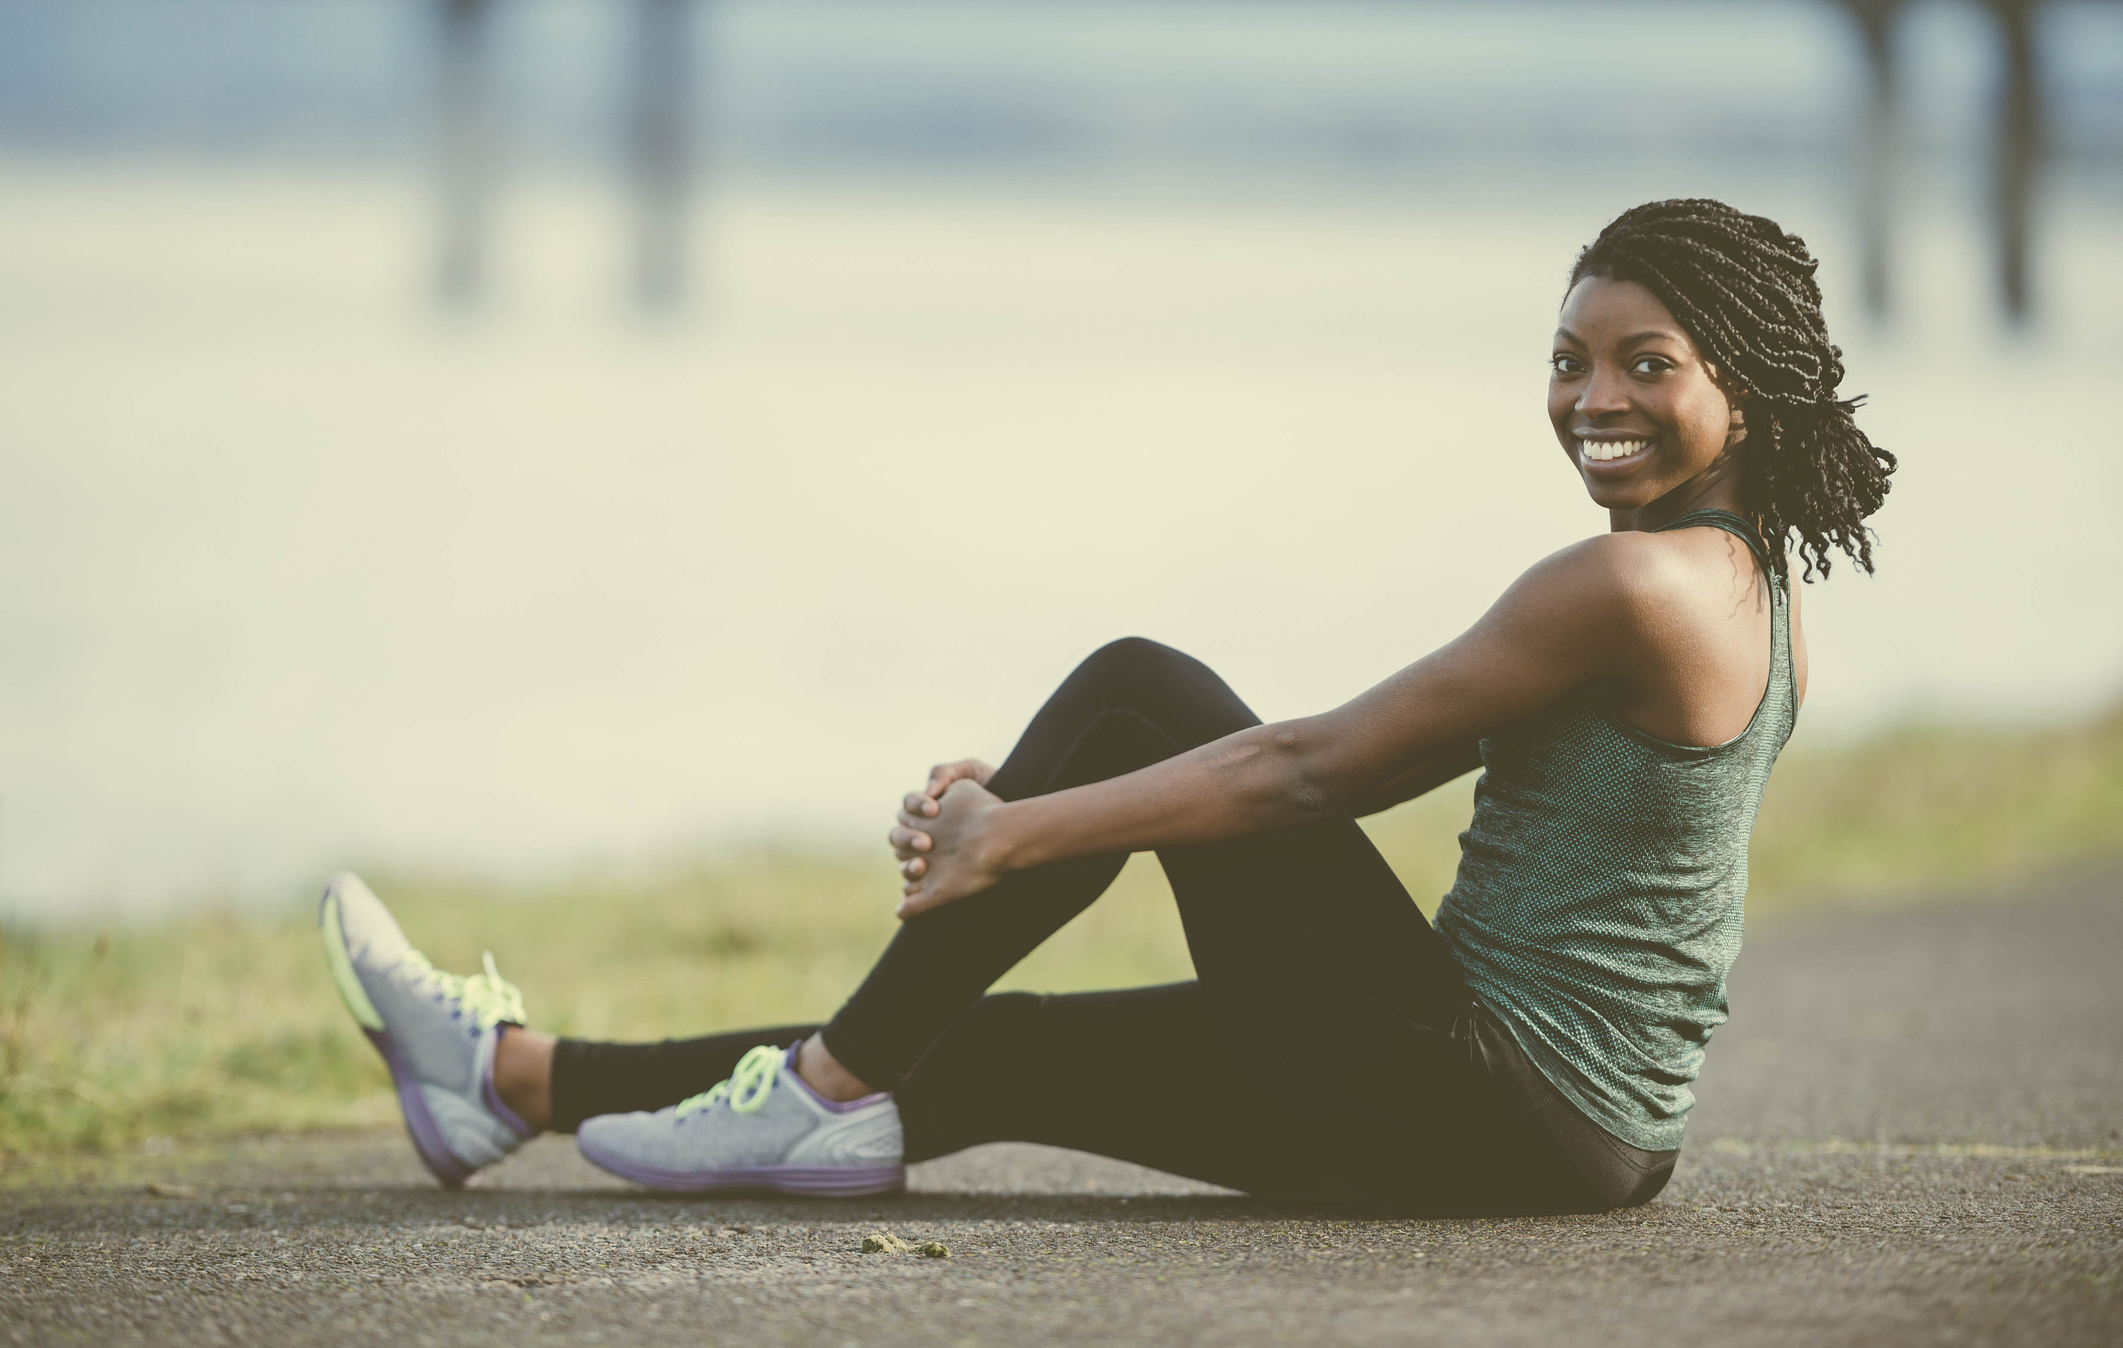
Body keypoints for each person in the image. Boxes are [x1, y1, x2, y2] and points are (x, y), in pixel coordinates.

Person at [316, 198, 1894, 1216]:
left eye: (1646, 364)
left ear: (1739, 387)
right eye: (1568, 359)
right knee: (970, 1054)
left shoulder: (1633, 589)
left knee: (1144, 686)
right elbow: (1352, 766)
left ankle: (818, 1080)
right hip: (1548, 1138)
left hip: (1487, 1094)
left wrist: (1016, 833)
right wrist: (1034, 804)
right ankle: (511, 1082)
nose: (1591, 399)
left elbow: (1311, 771)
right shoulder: (1742, 594)